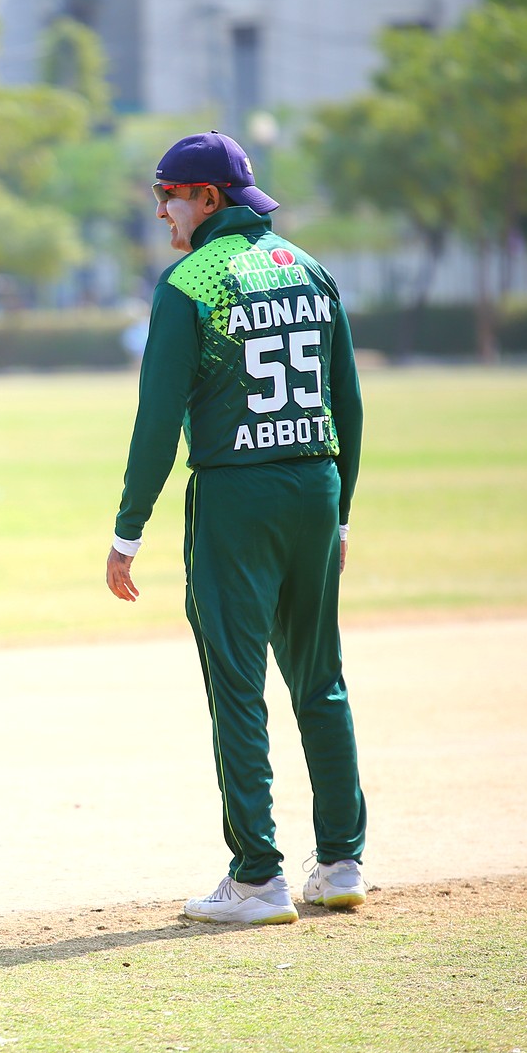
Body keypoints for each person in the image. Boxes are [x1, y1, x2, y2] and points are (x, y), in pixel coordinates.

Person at [104, 131, 368, 926]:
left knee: (237, 685)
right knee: (320, 677)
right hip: (315, 485)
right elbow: (348, 402)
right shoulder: (308, 268)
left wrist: (128, 530)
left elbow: (158, 418)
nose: (162, 211)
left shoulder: (189, 280)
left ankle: (257, 876)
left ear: (208, 199)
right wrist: (341, 512)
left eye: (168, 196)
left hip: (235, 496)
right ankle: (342, 860)